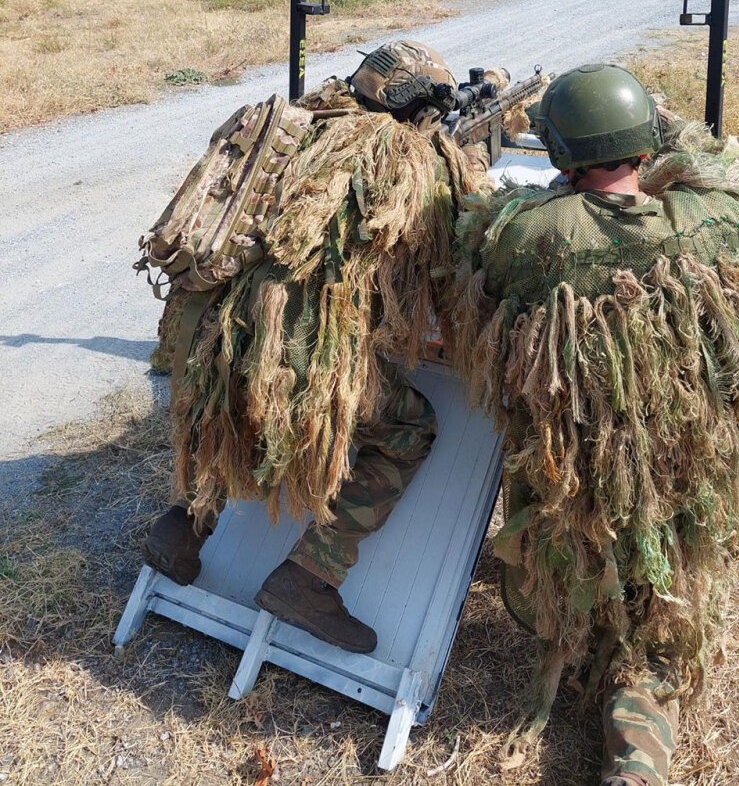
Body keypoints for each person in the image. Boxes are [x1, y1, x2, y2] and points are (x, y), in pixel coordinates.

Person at [451, 63, 739, 786]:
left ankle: (610, 673)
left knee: (602, 590)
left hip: (574, 480)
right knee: (656, 625)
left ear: (561, 152)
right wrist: (659, 126)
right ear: (644, 143)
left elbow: (482, 237)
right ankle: (636, 756)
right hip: (684, 466)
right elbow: (735, 180)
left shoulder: (534, 235)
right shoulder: (708, 220)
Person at [142, 40, 487, 654]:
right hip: (299, 359)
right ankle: (309, 578)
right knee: (408, 428)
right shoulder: (406, 159)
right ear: (418, 106)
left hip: (220, 341)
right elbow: (448, 259)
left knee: (240, 404)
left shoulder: (299, 123)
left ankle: (180, 528)